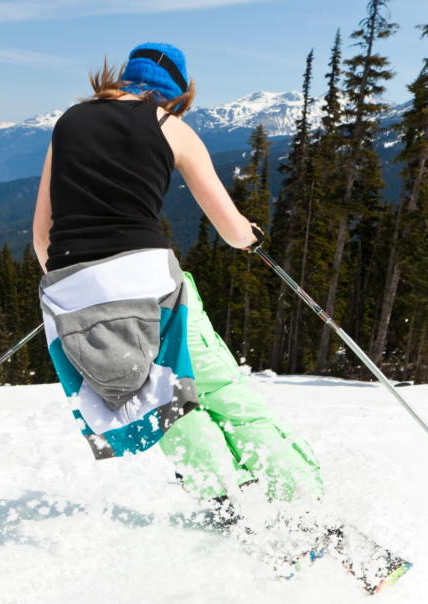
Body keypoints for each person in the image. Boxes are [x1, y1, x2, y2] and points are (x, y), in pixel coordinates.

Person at [32, 43, 323, 508]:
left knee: (158, 402)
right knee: (220, 390)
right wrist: (252, 236)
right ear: (177, 93)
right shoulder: (172, 128)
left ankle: (227, 502)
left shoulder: (68, 122)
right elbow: (230, 231)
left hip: (70, 291)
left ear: (124, 76)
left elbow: (42, 234)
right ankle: (299, 500)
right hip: (150, 287)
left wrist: (81, 288)